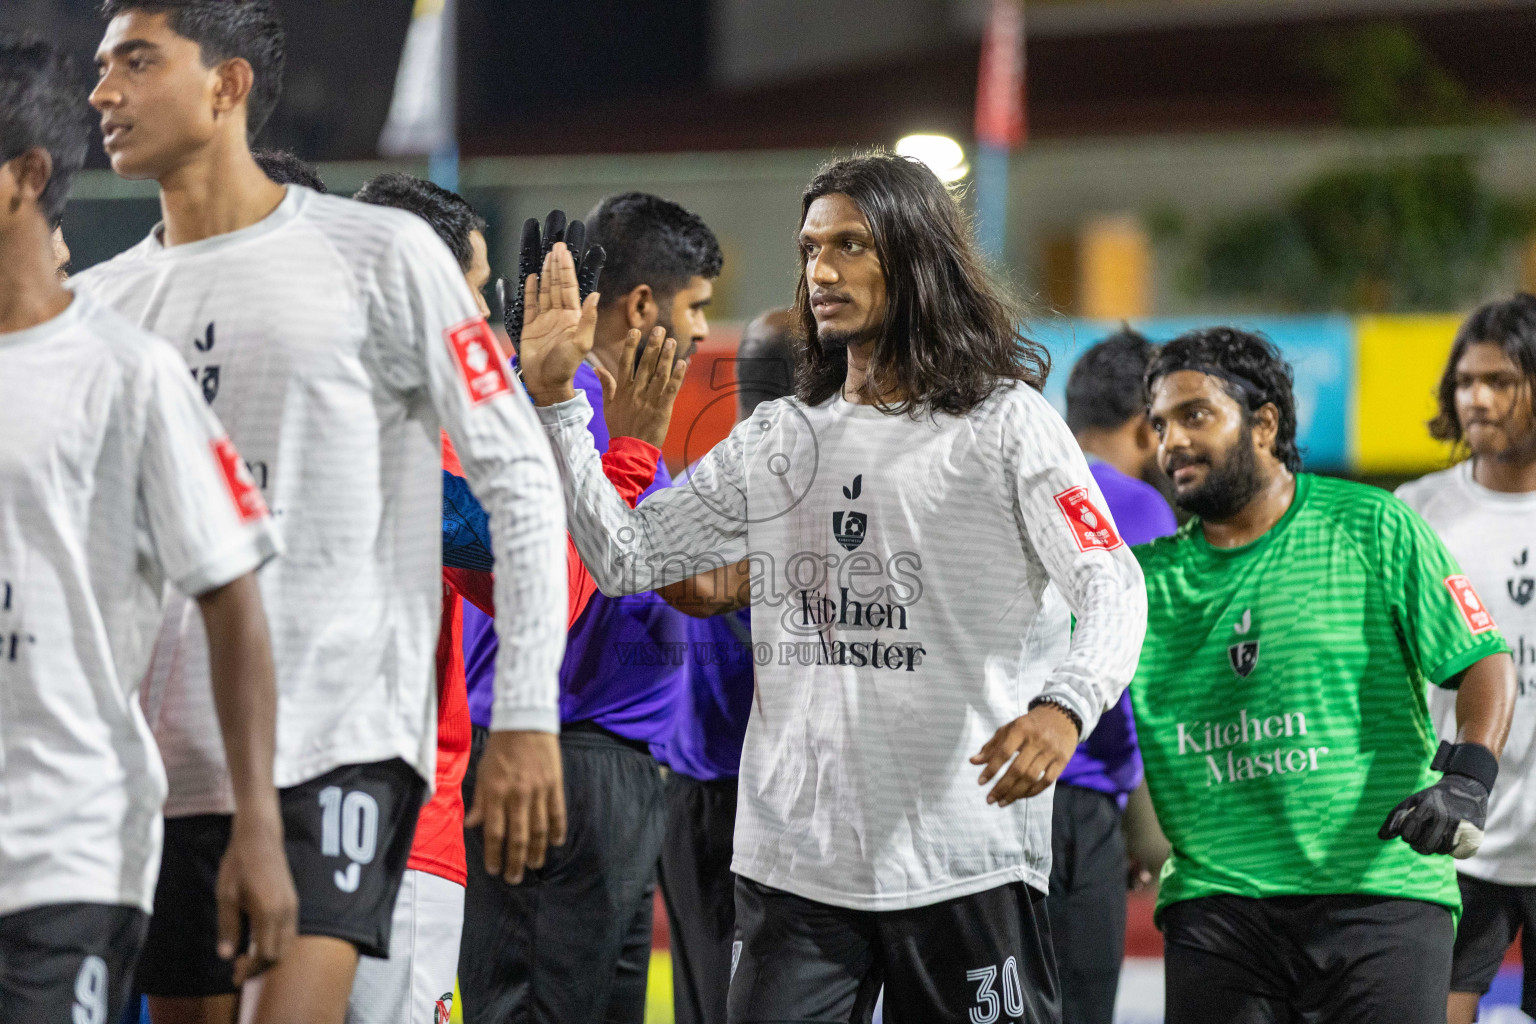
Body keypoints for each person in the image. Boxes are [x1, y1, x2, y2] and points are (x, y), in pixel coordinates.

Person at [521, 153, 1148, 1022]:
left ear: (917, 257)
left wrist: (1066, 705)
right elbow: (627, 556)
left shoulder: (1008, 425)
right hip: (795, 867)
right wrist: (558, 404)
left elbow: (1111, 583)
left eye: (851, 246)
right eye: (811, 247)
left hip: (962, 856)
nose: (822, 270)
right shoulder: (782, 435)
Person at [77, 4, 571, 1023]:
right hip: (159, 767)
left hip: (336, 740)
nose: (101, 94)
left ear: (227, 85)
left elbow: (520, 480)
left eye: (136, 61)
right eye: (98, 68)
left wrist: (525, 712)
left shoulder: (380, 256)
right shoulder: (101, 306)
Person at [0, 32, 294, 1021]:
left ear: (22, 180)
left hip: (61, 854)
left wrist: (257, 822)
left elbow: (230, 594)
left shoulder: (127, 373)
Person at [348, 174, 674, 1024]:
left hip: (235, 821)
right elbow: (553, 590)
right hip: (403, 833)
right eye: (477, 298)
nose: (489, 328)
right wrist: (578, 421)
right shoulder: (428, 439)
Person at [1132, 326, 1518, 1024]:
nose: (1172, 443)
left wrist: (1467, 779)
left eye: (1195, 415)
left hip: (1382, 898)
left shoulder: (1373, 526)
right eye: (1159, 424)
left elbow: (1483, 660)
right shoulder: (1141, 583)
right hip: (1219, 909)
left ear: (1265, 423)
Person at [457, 192, 723, 1024]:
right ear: (644, 304)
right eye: (696, 306)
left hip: (619, 773)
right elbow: (574, 578)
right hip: (555, 758)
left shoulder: (612, 406)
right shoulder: (557, 407)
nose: (706, 332)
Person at [1395, 294, 1536, 1024]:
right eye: (1465, 381)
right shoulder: (1417, 513)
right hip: (1454, 838)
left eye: (1501, 381)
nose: (1476, 397)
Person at [654, 309, 796, 1024]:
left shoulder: (686, 488)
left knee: (703, 1002)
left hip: (690, 793)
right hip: (768, 794)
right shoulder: (809, 492)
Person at [1051, 329, 1177, 1024]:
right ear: (1144, 424)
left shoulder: (1013, 475)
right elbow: (1145, 687)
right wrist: (1140, 829)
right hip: (1079, 804)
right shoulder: (1140, 508)